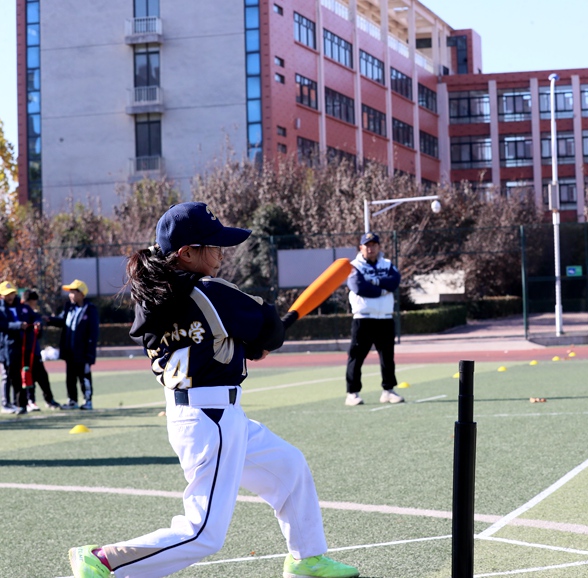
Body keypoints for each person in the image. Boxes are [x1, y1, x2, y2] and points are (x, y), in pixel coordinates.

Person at [67, 202, 358, 578]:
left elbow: (222, 338)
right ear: (187, 253)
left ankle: (307, 558)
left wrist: (247, 345)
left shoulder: (154, 297)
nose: (221, 255)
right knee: (203, 533)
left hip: (203, 413)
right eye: (214, 247)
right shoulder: (209, 291)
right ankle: (106, 561)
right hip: (212, 418)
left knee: (289, 469)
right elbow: (268, 327)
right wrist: (264, 340)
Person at [344, 231, 404, 406]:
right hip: (363, 317)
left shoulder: (387, 264)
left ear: (378, 247)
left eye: (374, 245)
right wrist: (382, 289)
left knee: (387, 357)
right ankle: (352, 393)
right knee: (356, 356)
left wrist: (375, 283)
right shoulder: (354, 266)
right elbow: (359, 287)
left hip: (385, 317)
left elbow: (395, 281)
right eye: (367, 245)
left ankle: (388, 390)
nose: (371, 249)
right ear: (361, 247)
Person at [46, 279, 99, 410]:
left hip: (83, 352)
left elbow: (93, 333)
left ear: (81, 294)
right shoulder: (69, 308)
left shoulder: (90, 310)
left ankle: (88, 401)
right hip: (69, 351)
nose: (70, 295)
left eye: (73, 292)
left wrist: (90, 354)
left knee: (84, 377)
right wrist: (48, 320)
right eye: (70, 292)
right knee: (70, 378)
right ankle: (72, 401)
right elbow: (61, 320)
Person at [0, 281, 37, 415]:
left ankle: (21, 404)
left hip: (22, 347)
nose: (10, 297)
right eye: (6, 295)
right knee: (7, 376)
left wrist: (37, 323)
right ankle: (6, 403)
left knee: (19, 377)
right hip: (6, 348)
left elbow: (34, 316)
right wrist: (17, 325)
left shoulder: (22, 307)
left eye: (11, 294)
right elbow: (2, 324)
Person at [23, 290, 62, 411]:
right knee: (29, 376)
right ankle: (30, 401)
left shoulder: (33, 313)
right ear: (29, 301)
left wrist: (38, 326)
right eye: (34, 302)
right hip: (25, 351)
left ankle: (49, 400)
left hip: (35, 350)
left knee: (42, 376)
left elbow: (38, 325)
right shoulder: (22, 311)